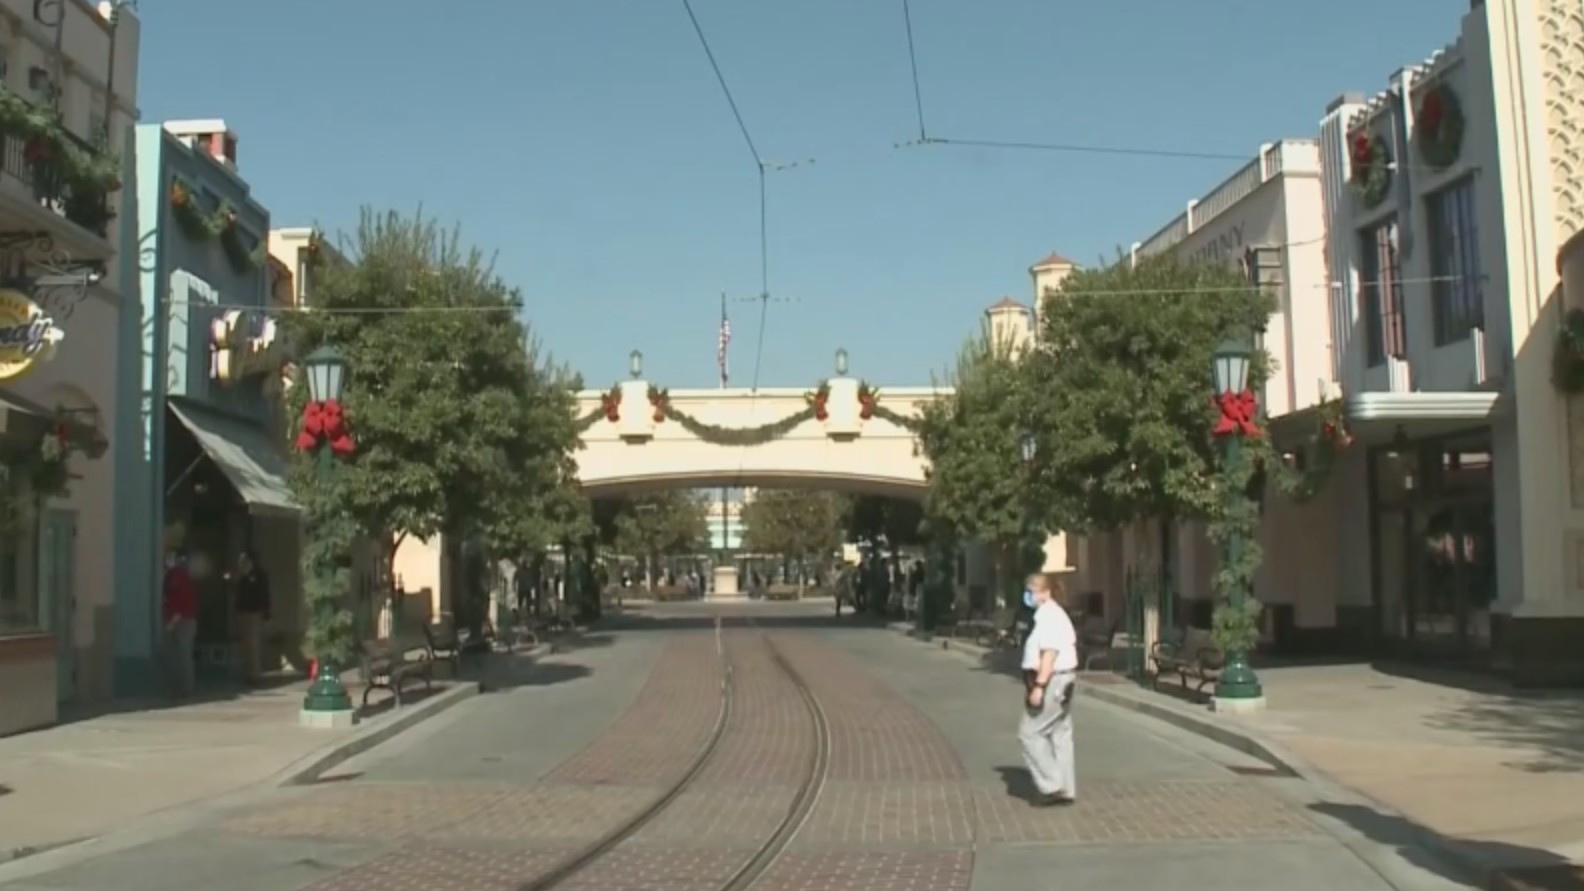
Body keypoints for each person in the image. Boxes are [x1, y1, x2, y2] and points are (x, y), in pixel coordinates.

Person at [1019, 572, 1078, 807]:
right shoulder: (1050, 614)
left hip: (1053, 679)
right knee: (1059, 732)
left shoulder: (1049, 616)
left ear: (1046, 592)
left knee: (1029, 733)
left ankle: (1052, 784)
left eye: (1032, 590)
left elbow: (1049, 653)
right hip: (1063, 678)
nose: (1028, 595)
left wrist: (1039, 686)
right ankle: (1066, 787)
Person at [163, 549, 198, 698]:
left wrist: (173, 621)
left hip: (183, 621)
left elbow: (182, 600)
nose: (167, 560)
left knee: (183, 655)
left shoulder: (179, 575)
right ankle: (176, 687)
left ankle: (186, 688)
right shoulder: (170, 575)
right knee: (175, 655)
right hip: (175, 619)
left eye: (170, 557)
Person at [234, 549, 271, 684]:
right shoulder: (242, 576)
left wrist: (267, 615)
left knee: (253, 646)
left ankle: (254, 675)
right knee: (245, 646)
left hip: (254, 613)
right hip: (242, 613)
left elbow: (265, 596)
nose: (241, 562)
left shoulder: (260, 576)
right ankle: (246, 674)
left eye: (244, 560)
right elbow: (238, 594)